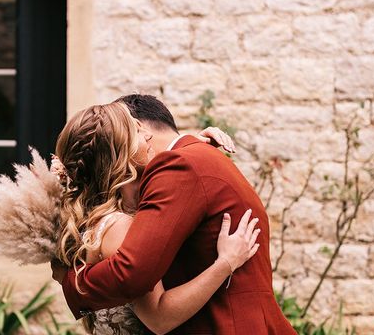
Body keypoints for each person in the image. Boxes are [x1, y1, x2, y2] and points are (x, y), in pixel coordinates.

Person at [57, 94, 296, 334]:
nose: (146, 137)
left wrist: (70, 280)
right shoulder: (179, 167)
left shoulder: (181, 166)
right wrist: (225, 263)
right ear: (119, 149)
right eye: (135, 131)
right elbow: (137, 274)